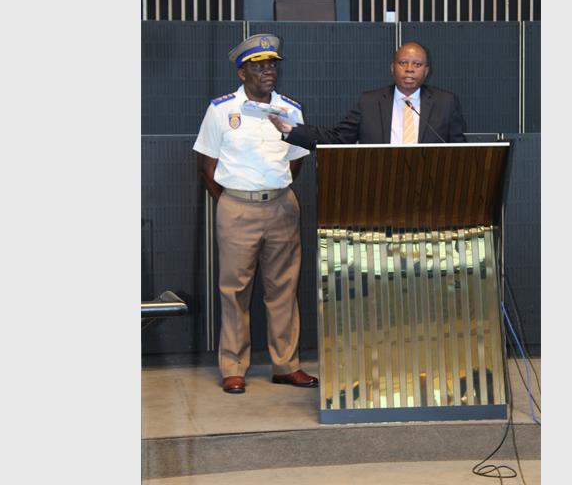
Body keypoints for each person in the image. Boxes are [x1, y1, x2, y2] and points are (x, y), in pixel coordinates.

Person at [193, 33, 319, 394]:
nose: (269, 71)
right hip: (236, 208)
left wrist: (273, 192)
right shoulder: (221, 110)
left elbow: (296, 161)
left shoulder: (290, 109)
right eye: (259, 66)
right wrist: (232, 201)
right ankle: (233, 367)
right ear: (242, 72)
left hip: (281, 206)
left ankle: (286, 365)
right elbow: (206, 164)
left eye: (272, 65)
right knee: (235, 291)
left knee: (284, 288)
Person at [268, 42, 467, 147]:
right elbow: (337, 138)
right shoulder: (369, 102)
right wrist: (290, 130)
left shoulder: (446, 102)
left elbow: (460, 152)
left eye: (417, 64)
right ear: (392, 68)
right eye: (403, 63)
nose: (409, 69)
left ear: (426, 71)